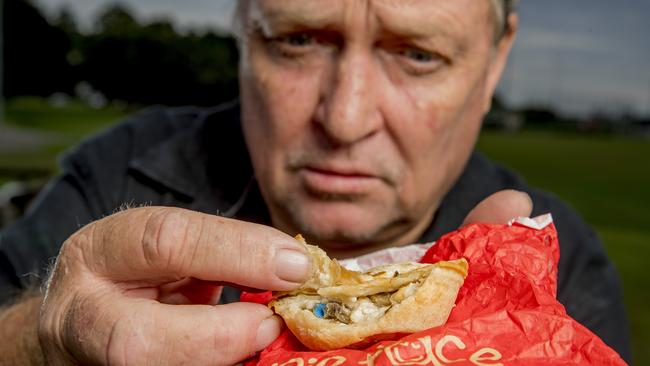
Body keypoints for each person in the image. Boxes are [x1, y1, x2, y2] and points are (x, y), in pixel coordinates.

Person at [0, 0, 630, 364]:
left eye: (417, 55)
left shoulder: (551, 259)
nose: (345, 118)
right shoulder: (123, 169)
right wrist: (42, 340)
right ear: (244, 29)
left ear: (496, 60)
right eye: (298, 40)